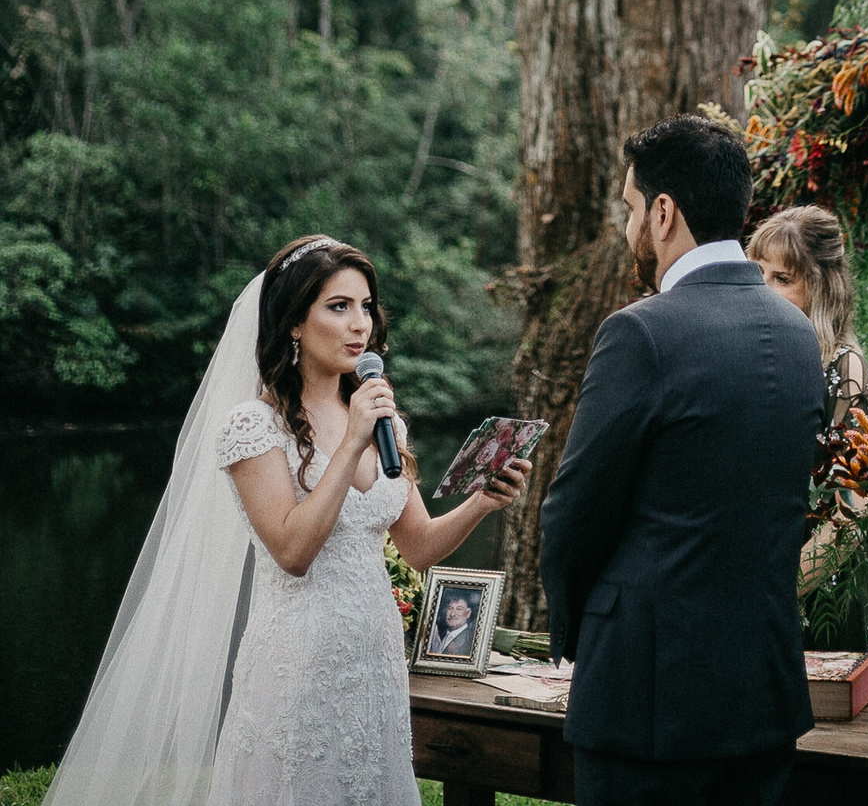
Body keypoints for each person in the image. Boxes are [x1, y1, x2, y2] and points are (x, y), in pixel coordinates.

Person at [44, 234, 530, 806]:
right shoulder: (254, 426)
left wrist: (482, 501)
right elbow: (292, 551)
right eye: (339, 306)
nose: (360, 325)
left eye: (367, 307)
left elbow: (419, 546)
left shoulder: (384, 423)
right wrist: (349, 442)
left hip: (374, 663)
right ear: (294, 324)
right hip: (298, 666)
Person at [540, 116, 826, 806]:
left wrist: (585, 631)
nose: (629, 228)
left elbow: (573, 513)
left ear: (665, 212)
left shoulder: (641, 331)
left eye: (632, 209)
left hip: (646, 702)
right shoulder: (798, 334)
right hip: (760, 694)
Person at [746, 204, 868, 450]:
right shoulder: (737, 351)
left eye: (782, 278)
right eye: (756, 271)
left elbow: (859, 482)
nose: (761, 288)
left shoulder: (844, 368)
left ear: (820, 290)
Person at [427, 589, 479, 657]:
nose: (452, 614)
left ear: (468, 613)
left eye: (459, 609)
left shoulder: (470, 640)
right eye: (450, 608)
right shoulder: (439, 633)